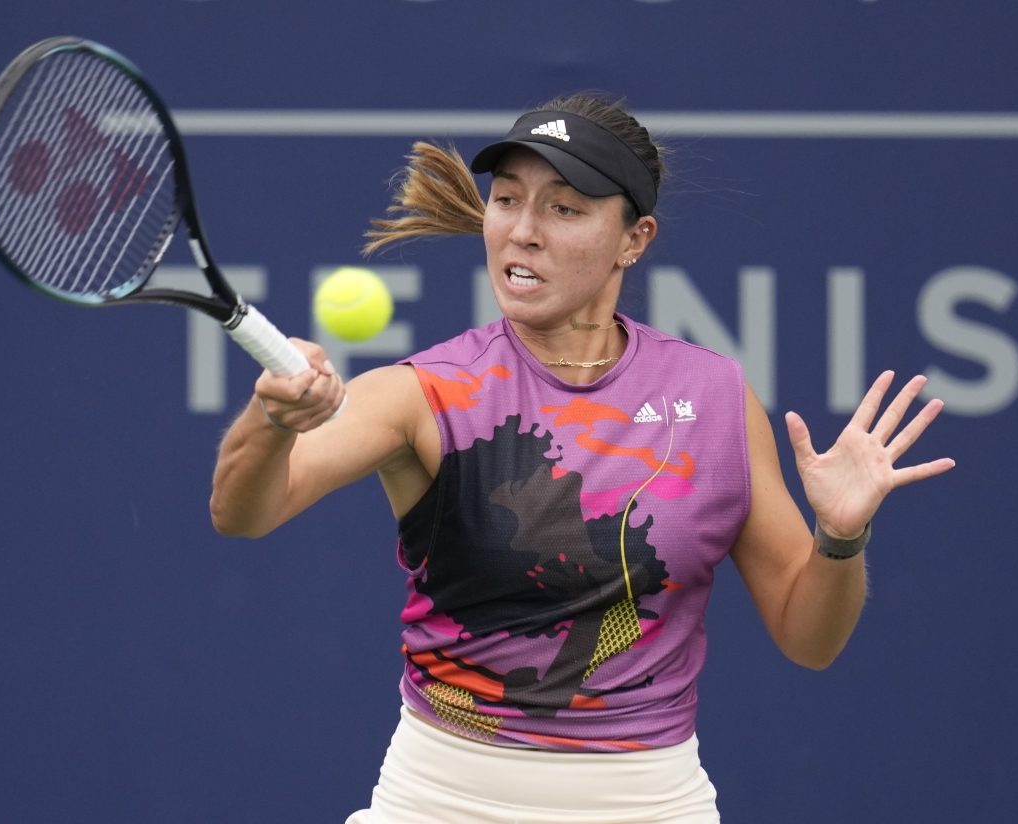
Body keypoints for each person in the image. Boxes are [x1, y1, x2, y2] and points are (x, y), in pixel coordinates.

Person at [209, 95, 954, 824]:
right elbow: (246, 512)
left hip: (650, 804)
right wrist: (273, 420)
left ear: (634, 239)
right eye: (507, 201)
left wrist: (841, 536)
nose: (522, 232)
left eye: (564, 209)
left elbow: (809, 639)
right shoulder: (425, 394)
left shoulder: (715, 397)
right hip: (441, 801)